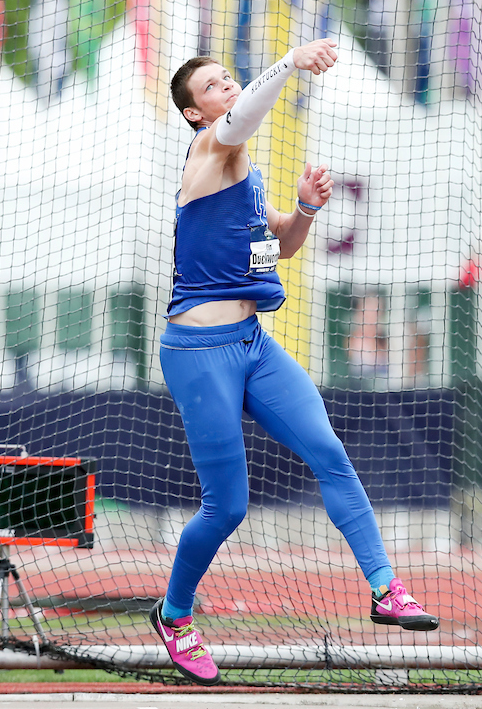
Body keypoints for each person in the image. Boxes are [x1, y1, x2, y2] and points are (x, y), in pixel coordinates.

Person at [152, 39, 439, 687]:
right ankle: (174, 615)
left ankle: (385, 588)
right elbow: (243, 117)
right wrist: (289, 61)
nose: (228, 88)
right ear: (196, 115)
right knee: (226, 508)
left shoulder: (245, 173)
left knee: (330, 452)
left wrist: (306, 208)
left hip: (253, 347)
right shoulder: (207, 153)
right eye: (214, 87)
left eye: (229, 78)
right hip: (198, 355)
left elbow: (280, 245)